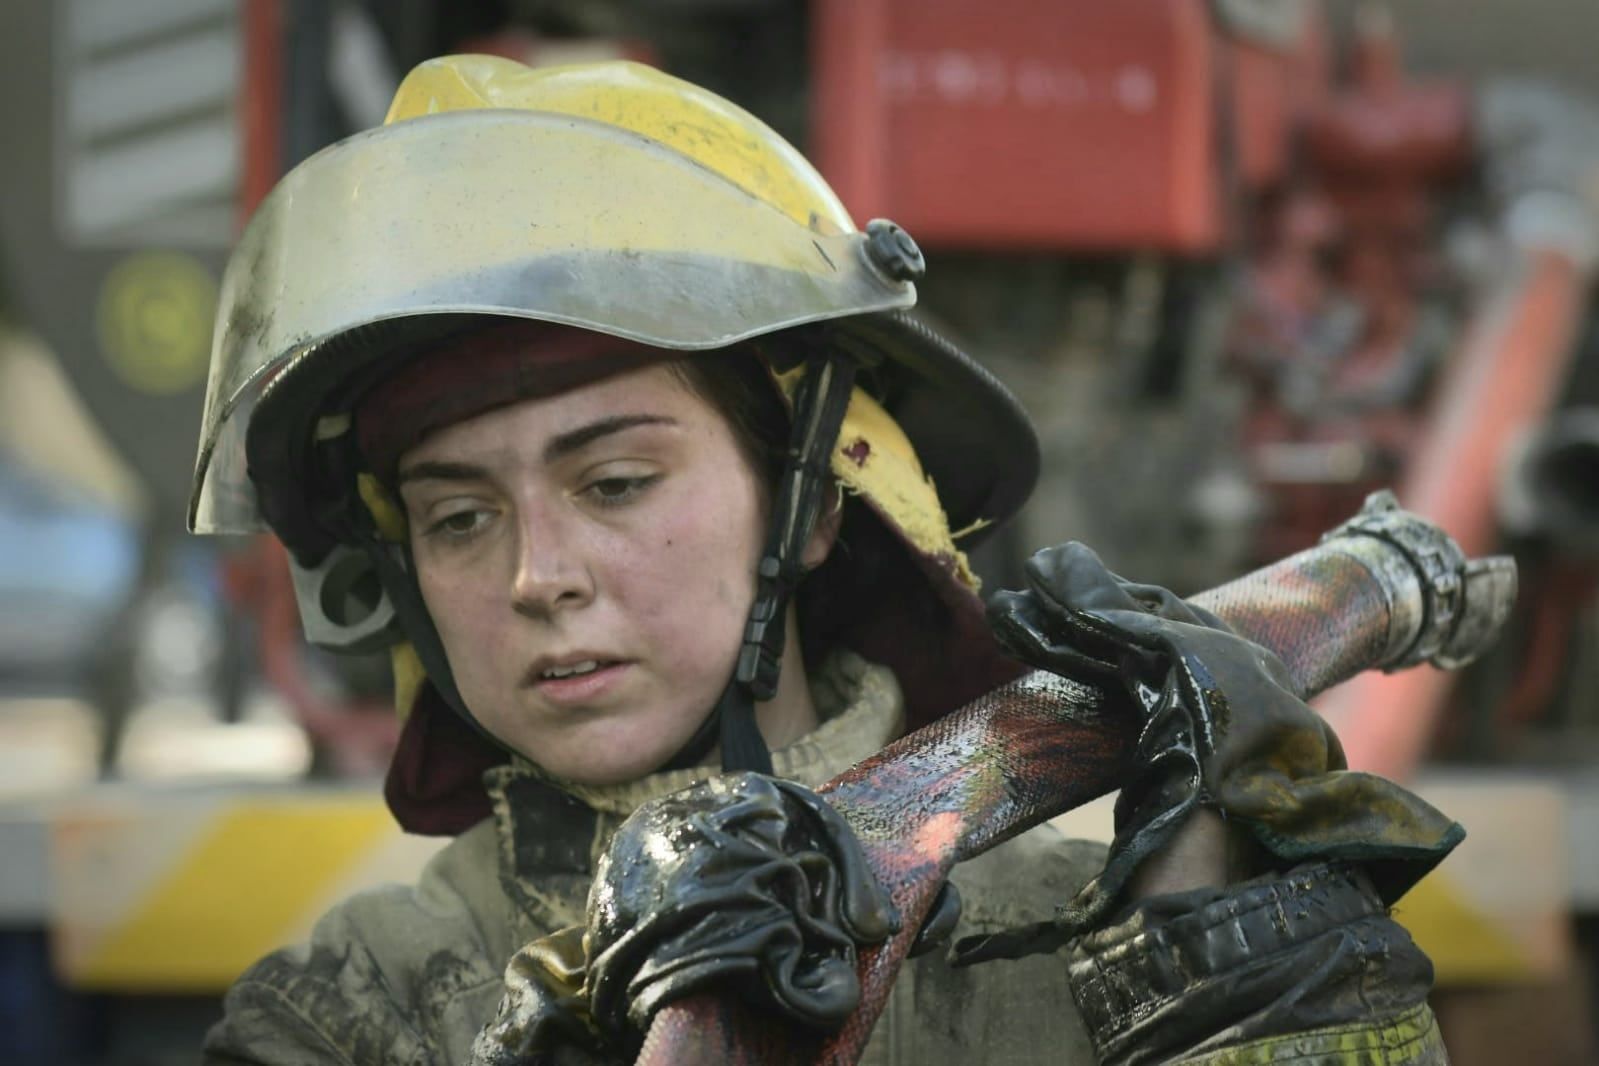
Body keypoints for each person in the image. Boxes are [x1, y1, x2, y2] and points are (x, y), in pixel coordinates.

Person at [193, 55, 1461, 1064]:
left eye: (616, 481)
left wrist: (1280, 1022)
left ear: (808, 504)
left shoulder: (1099, 949)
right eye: (460, 516)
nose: (538, 575)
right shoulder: (356, 1014)